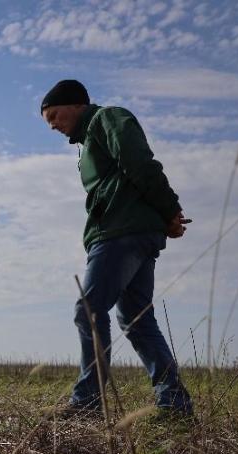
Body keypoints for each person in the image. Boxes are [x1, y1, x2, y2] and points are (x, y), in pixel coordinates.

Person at [39, 79, 193, 417]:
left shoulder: (107, 119)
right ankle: (175, 406)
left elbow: (140, 163)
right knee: (137, 321)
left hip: (120, 232)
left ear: (76, 104)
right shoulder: (87, 144)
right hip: (128, 232)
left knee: (89, 309)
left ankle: (87, 403)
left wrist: (170, 210)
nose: (51, 124)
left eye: (54, 114)